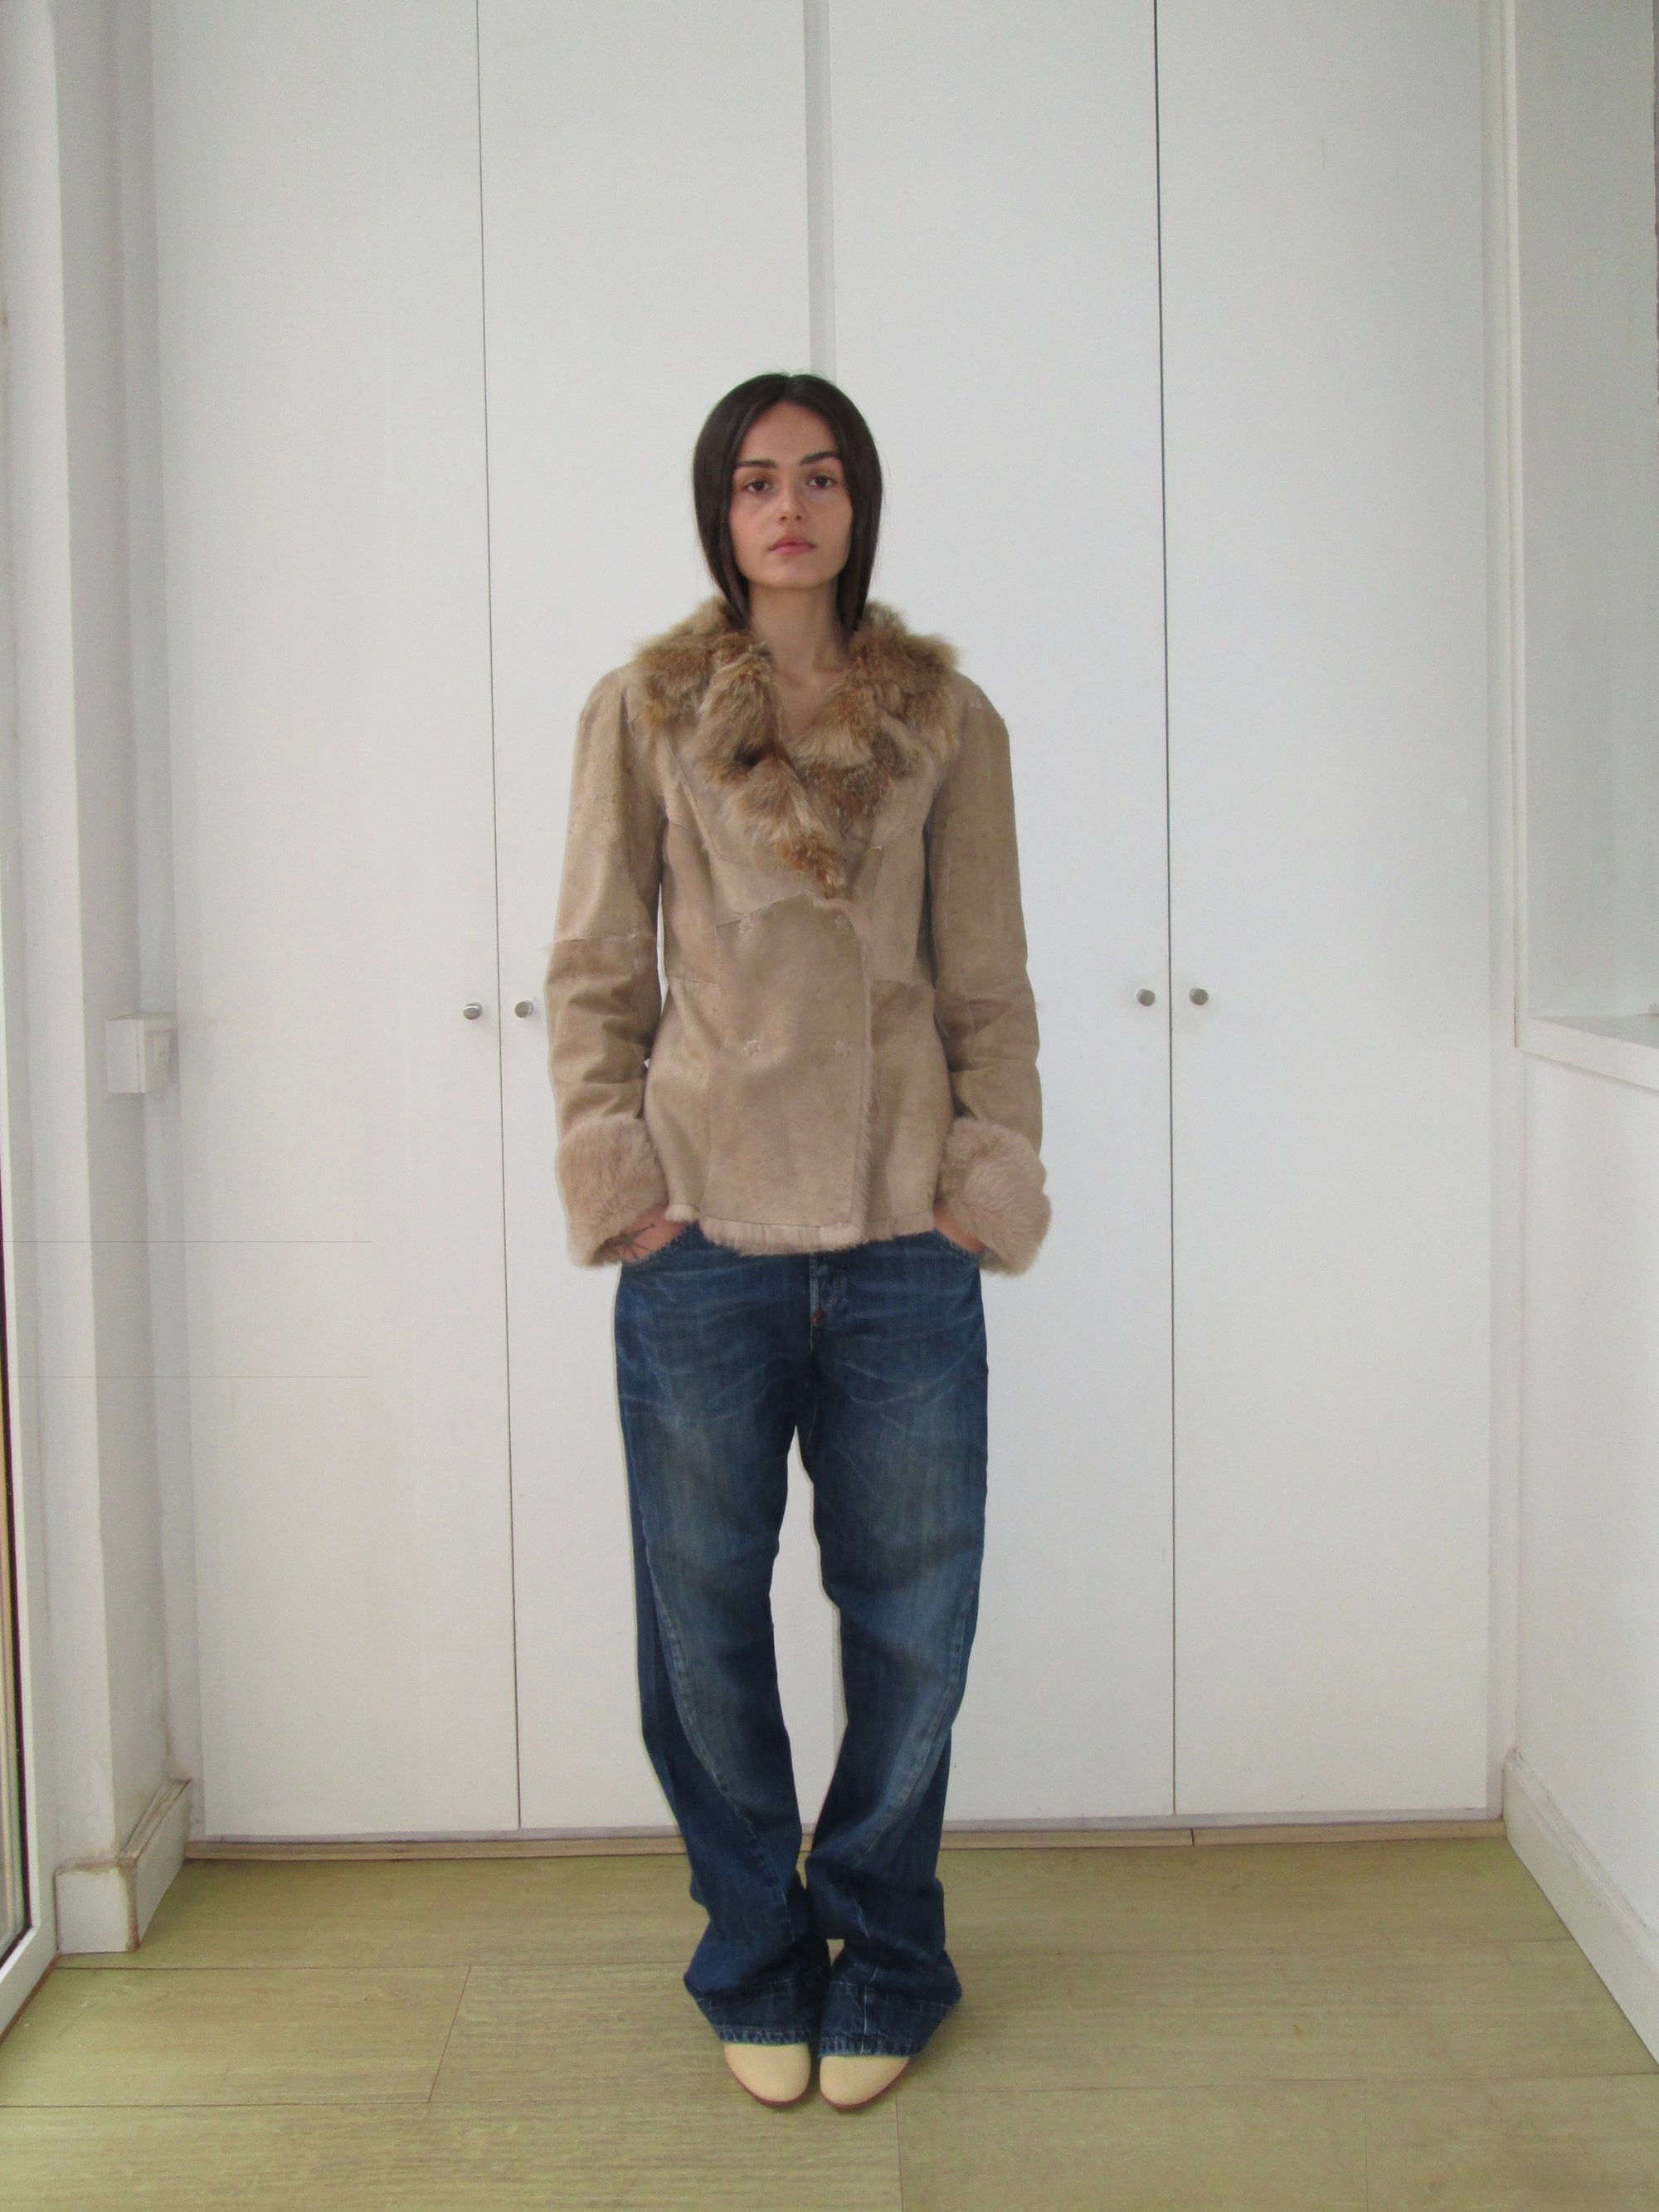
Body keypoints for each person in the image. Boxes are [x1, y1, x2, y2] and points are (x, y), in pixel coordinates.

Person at [542, 370, 1049, 2112]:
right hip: (704, 1236)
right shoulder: (647, 710)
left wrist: (979, 1178)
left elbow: (988, 981)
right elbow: (594, 972)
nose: (788, 506)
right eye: (757, 479)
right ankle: (755, 1950)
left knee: (915, 1622)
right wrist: (621, 1178)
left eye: (820, 477)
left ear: (857, 505)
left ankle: (889, 1952)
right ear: (721, 508)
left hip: (904, 1235)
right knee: (700, 1623)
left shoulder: (946, 720)